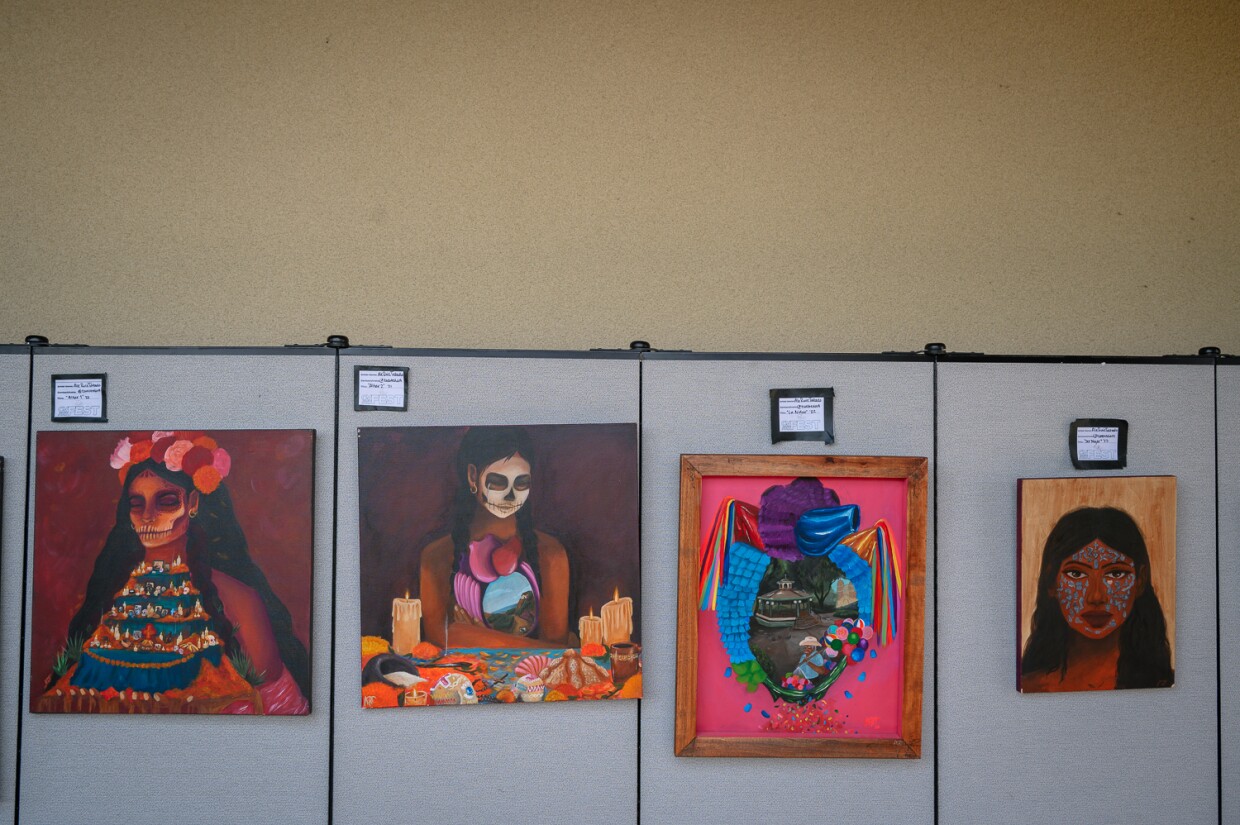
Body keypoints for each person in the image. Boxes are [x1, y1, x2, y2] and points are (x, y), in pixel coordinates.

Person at [52, 431, 310, 714]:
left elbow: (282, 710)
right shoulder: (108, 596)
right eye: (137, 504)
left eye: (165, 501)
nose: (148, 516)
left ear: (194, 503)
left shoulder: (239, 600)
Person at [420, 427, 569, 649]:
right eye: (498, 482)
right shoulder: (437, 556)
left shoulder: (550, 553)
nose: (511, 496)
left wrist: (465, 633)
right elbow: (437, 641)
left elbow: (557, 650)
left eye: (521, 483)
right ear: (473, 476)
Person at [1020, 506, 1174, 692]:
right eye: (1076, 574)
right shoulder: (1028, 688)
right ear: (1051, 582)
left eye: (1116, 573)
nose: (1096, 596)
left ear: (1139, 581)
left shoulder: (1164, 685)